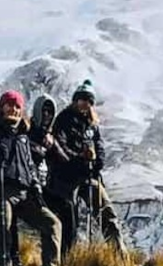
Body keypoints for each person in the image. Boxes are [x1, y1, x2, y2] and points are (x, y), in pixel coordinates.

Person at [0, 90, 63, 266]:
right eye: (9, 104)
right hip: (2, 190)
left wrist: (36, 187)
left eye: (17, 106)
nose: (13, 109)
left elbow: (30, 165)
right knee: (3, 233)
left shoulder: (23, 135)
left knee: (52, 224)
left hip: (25, 192)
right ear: (1, 107)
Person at [49, 79, 127, 255]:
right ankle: (67, 264)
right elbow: (59, 146)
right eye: (82, 99)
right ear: (76, 100)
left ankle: (121, 259)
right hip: (66, 179)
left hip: (89, 176)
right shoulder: (64, 119)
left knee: (107, 214)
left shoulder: (92, 124)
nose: (85, 103)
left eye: (89, 101)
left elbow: (99, 147)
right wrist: (80, 159)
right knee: (70, 223)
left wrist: (97, 162)